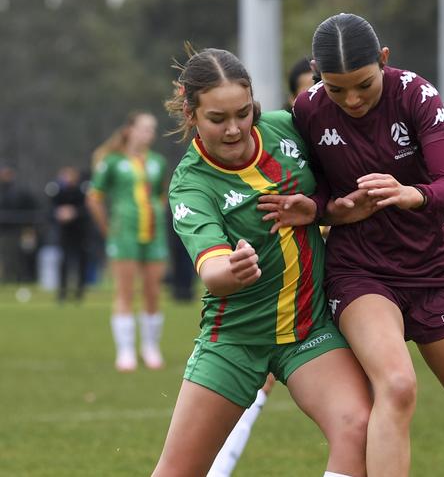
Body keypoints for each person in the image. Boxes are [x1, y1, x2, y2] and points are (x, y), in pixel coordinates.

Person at [258, 13, 444, 477]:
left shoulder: (416, 94)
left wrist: (408, 193)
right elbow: (319, 195)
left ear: (384, 59)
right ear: (317, 73)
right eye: (336, 88)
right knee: (396, 385)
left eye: (363, 85)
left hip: (435, 276)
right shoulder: (308, 109)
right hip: (361, 273)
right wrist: (319, 209)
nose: (351, 99)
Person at [153, 45, 370, 477]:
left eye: (243, 112)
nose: (234, 129)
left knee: (358, 427)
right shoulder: (190, 184)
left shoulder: (288, 129)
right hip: (234, 338)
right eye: (217, 119)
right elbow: (211, 269)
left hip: (308, 331)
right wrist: (230, 271)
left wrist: (323, 207)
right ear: (190, 111)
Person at [205, 53, 319, 477]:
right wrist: (229, 269)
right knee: (259, 384)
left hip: (335, 291)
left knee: (366, 412)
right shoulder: (285, 132)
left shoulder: (338, 139)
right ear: (294, 99)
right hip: (269, 304)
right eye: (312, 88)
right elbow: (212, 265)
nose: (323, 97)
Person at [86, 111, 168, 372]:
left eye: (152, 129)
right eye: (144, 128)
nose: (149, 134)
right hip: (124, 233)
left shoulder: (157, 162)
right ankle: (125, 351)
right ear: (129, 130)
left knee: (153, 291)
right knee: (125, 291)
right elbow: (94, 197)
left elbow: (161, 195)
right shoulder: (111, 161)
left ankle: (151, 347)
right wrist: (108, 228)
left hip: (154, 233)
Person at [47, 166, 90, 302]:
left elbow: (87, 210)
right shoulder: (57, 191)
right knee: (63, 262)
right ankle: (62, 292)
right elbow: (49, 209)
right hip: (64, 232)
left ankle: (79, 292)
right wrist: (59, 214)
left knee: (81, 261)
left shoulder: (82, 191)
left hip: (81, 232)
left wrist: (74, 212)